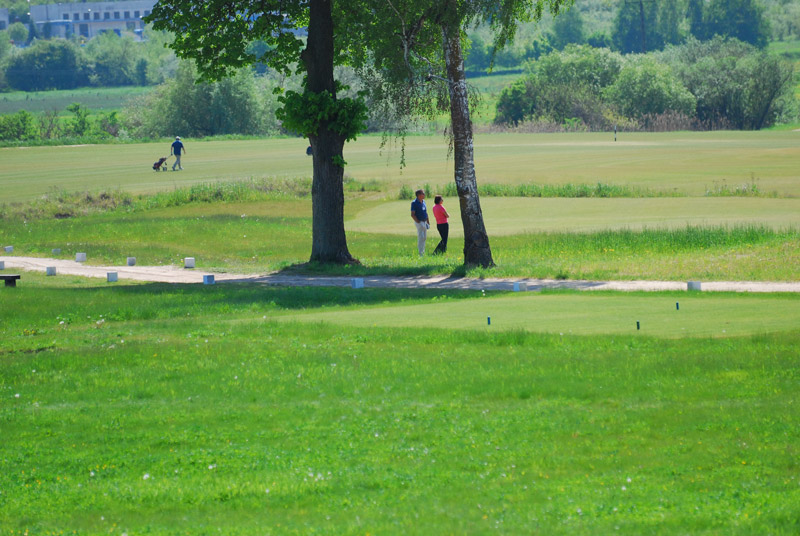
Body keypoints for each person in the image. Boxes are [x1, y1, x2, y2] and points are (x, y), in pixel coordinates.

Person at [410, 189, 429, 256]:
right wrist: (417, 221)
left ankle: (423, 251)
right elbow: (412, 214)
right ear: (419, 195)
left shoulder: (423, 202)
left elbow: (425, 212)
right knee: (421, 237)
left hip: (424, 221)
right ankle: (421, 253)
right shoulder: (414, 203)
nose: (424, 195)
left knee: (424, 237)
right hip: (419, 222)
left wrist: (428, 221)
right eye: (423, 194)